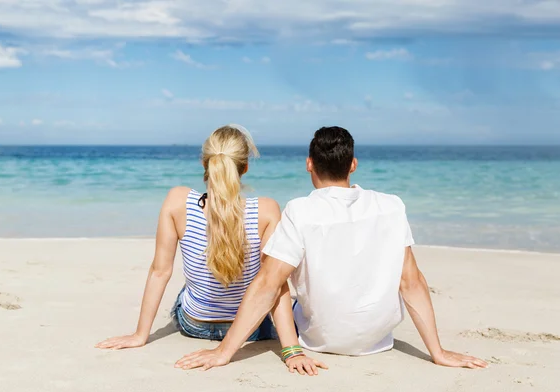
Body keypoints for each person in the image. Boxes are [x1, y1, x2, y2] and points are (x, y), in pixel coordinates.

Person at [175, 126, 488, 375]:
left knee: (279, 282)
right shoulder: (392, 206)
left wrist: (223, 352)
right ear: (353, 165)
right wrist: (438, 352)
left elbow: (267, 285)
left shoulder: (300, 211)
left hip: (318, 339)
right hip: (377, 340)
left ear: (309, 164)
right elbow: (412, 282)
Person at [95, 124, 324, 373]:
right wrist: (291, 351)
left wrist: (140, 335)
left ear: (205, 164)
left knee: (190, 287)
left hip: (194, 324)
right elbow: (275, 284)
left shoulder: (177, 200)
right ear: (244, 167)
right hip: (251, 329)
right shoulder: (266, 211)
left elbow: (160, 272)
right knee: (275, 284)